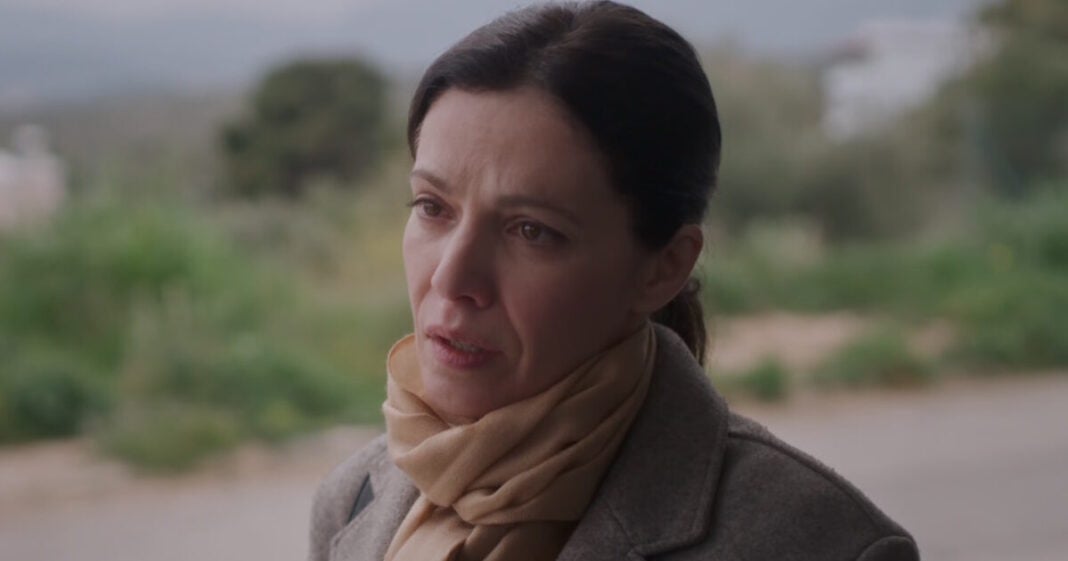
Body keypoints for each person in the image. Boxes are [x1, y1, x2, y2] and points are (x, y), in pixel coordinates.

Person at [308, 2, 920, 560]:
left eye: (531, 231)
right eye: (432, 207)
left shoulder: (825, 545)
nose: (452, 278)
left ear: (663, 268)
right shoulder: (354, 499)